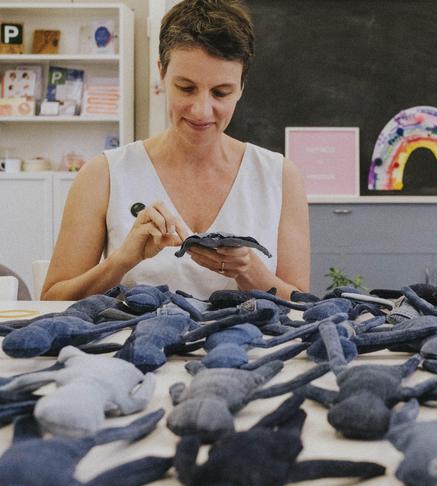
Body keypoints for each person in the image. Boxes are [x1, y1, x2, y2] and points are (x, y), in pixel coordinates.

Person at [42, 0, 310, 301]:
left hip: (248, 348)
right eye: (186, 88)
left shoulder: (279, 176)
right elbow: (52, 301)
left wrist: (249, 271)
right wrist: (122, 261)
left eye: (221, 92)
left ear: (242, 85)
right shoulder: (103, 174)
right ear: (161, 73)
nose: (201, 110)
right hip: (138, 347)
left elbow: (302, 305)